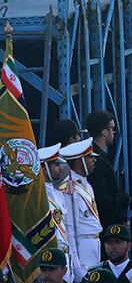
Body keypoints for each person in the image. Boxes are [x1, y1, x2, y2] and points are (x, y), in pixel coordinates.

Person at [43, 132, 103, 272]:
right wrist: (76, 266)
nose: (94, 160)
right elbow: (70, 228)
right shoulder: (70, 188)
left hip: (94, 242)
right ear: (79, 161)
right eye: (89, 157)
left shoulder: (87, 185)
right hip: (81, 245)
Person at [80, 109, 127, 234]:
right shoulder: (97, 160)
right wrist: (122, 200)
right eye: (112, 128)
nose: (114, 132)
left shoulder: (99, 156)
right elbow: (101, 198)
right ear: (104, 132)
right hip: (105, 226)